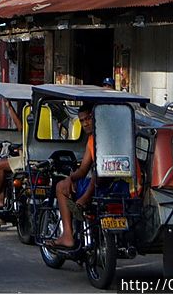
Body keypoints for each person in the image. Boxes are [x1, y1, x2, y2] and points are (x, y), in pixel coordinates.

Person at [49, 103, 95, 249]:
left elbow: (101, 174)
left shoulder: (101, 139)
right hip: (104, 183)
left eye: (88, 119)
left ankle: (68, 235)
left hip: (104, 185)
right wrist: (71, 178)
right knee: (67, 183)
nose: (86, 123)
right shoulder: (91, 140)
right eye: (82, 121)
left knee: (60, 187)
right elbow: (83, 170)